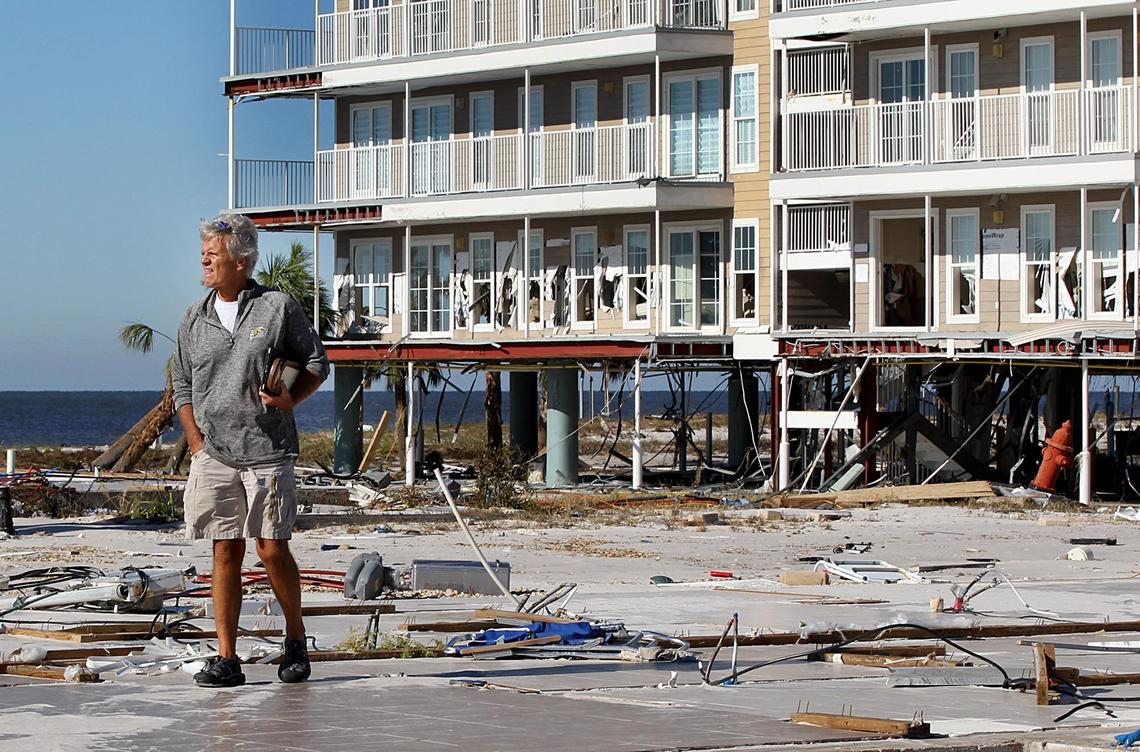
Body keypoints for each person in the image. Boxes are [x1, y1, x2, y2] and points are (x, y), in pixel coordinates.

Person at [171, 213, 330, 688]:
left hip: (268, 450)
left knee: (272, 549)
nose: (204, 261)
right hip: (214, 453)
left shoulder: (277, 307)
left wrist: (292, 399)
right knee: (225, 550)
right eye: (203, 253)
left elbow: (316, 362)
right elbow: (182, 383)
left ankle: (295, 639)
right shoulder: (193, 316)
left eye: (213, 254)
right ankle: (227, 658)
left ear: (241, 261)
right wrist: (196, 441)